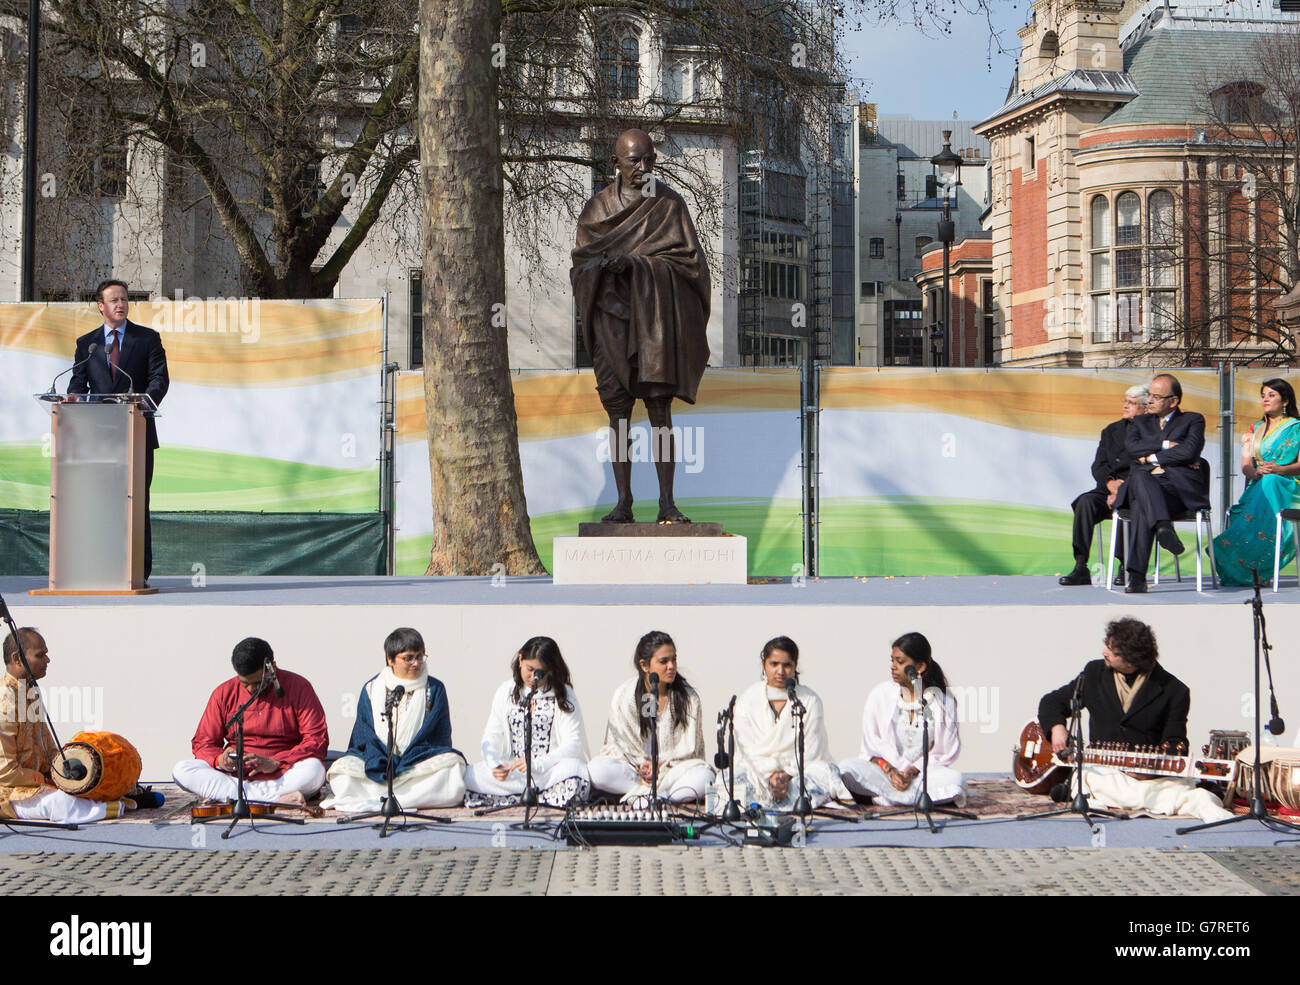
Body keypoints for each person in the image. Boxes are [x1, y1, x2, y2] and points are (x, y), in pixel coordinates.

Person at [570, 129, 711, 524]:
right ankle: (623, 502)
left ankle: (667, 503)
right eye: (635, 161)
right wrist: (604, 267)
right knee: (617, 415)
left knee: (659, 413)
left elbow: (692, 266)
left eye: (649, 159)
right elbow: (580, 265)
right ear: (616, 161)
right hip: (612, 322)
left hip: (655, 324)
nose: (644, 167)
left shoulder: (669, 204)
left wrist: (638, 265)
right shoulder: (598, 208)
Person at [1037, 617, 1229, 822]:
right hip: (1105, 771)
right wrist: (1058, 728)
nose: (1104, 652)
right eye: (1106, 646)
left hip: (1147, 779)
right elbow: (1052, 702)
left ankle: (1111, 800)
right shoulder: (1094, 673)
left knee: (1177, 792)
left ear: (1133, 658)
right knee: (1088, 778)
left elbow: (1175, 742)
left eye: (1113, 651)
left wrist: (1151, 771)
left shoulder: (1174, 690)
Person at [67, 280, 169, 584]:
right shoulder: (88, 344)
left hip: (137, 433)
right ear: (101, 306)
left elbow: (159, 379)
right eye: (114, 300)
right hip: (99, 437)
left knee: (136, 502)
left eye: (124, 299)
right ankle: (101, 566)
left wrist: (142, 401)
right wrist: (73, 397)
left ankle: (138, 571)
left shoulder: (147, 338)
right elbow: (78, 383)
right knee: (102, 502)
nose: (121, 304)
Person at [322, 628, 466, 812]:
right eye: (409, 658)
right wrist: (382, 758)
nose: (416, 663)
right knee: (341, 771)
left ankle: (382, 801)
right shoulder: (371, 688)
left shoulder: (435, 689)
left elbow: (440, 736)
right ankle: (403, 799)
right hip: (379, 760)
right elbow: (363, 734)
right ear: (390, 659)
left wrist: (407, 759)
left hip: (417, 762)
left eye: (420, 657)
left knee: (454, 767)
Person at [173, 637, 328, 807]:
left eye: (257, 682)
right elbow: (203, 742)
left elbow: (316, 740)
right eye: (244, 683)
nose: (251, 689)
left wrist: (276, 761)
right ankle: (272, 799)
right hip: (236, 775)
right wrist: (220, 760)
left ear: (272, 668)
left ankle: (235, 797)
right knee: (182, 770)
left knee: (315, 770)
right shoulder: (224, 692)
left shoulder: (299, 687)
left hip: (281, 773)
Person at [0, 628, 135, 822]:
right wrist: (44, 779)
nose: (48, 660)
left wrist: (67, 772)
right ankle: (112, 807)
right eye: (41, 655)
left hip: (38, 782)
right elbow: (4, 772)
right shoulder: (5, 701)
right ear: (17, 658)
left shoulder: (30, 691)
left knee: (94, 778)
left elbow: (47, 750)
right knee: (60, 803)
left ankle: (118, 800)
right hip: (9, 792)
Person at [839, 632, 965, 807]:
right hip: (885, 774)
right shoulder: (880, 695)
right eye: (892, 660)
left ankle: (884, 799)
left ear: (920, 667)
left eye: (900, 662)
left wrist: (911, 772)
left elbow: (944, 752)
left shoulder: (943, 703)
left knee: (955, 780)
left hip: (923, 775)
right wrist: (892, 772)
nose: (893, 667)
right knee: (846, 769)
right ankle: (911, 800)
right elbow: (871, 748)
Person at [464, 637, 590, 808]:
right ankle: (538, 797)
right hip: (515, 774)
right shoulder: (506, 691)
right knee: (470, 775)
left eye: (541, 673)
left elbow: (573, 745)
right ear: (520, 659)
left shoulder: (564, 694)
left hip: (548, 773)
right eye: (530, 669)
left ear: (551, 671)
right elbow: (491, 734)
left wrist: (536, 764)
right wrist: (494, 763)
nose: (533, 677)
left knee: (576, 771)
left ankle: (520, 798)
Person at [589, 631, 713, 804]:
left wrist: (661, 766)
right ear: (644, 665)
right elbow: (617, 744)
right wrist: (640, 764)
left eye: (674, 659)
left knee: (704, 777)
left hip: (673, 772)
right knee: (597, 770)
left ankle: (656, 797)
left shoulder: (689, 698)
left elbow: (691, 750)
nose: (671, 666)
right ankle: (647, 795)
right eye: (664, 661)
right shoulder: (625, 696)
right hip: (636, 773)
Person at [1113, 373, 1209, 594]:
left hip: (1176, 492)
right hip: (1146, 486)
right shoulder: (1140, 421)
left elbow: (1189, 451)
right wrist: (1167, 444)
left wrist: (1150, 457)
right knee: (1140, 480)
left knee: (1141, 499)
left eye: (1156, 396)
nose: (1149, 401)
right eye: (1149, 396)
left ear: (1173, 401)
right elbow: (1132, 449)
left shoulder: (1193, 420)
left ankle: (1136, 577)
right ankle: (1163, 527)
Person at [728, 636, 850, 810]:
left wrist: (786, 775)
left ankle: (782, 800)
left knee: (824, 773)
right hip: (759, 774)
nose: (780, 671)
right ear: (764, 664)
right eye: (774, 664)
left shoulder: (809, 700)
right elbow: (747, 750)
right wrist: (770, 775)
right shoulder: (748, 699)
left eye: (787, 665)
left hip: (796, 775)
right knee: (727, 779)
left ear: (794, 667)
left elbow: (812, 751)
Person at [1213, 379, 1300, 586]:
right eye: (1263, 396)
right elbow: (1245, 465)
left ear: (1285, 399)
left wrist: (1280, 469)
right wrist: (1255, 472)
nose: (1265, 400)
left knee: (1272, 481)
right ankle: (1246, 566)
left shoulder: (1297, 427)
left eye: (1271, 395)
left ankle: (1261, 568)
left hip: (1288, 486)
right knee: (1266, 483)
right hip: (1259, 484)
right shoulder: (1254, 429)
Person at [1059, 384, 1148, 586]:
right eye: (1126, 401)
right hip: (1107, 487)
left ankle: (1126, 566)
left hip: (1135, 488)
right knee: (1085, 502)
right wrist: (1110, 484)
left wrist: (1122, 489)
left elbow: (1148, 465)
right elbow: (1098, 465)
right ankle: (1081, 565)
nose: (1126, 406)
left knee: (1125, 505)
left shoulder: (1151, 432)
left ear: (1144, 408)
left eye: (1132, 403)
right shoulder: (1111, 431)